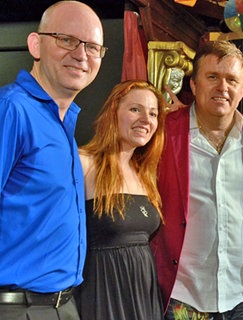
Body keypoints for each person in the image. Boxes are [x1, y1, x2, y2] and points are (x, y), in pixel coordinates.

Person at [0, 2, 105, 319]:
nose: (81, 54)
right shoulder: (12, 110)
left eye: (93, 47)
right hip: (18, 308)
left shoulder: (64, 125)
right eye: (67, 39)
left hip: (62, 305)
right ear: (36, 44)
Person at [150, 40, 243, 320]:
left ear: (242, 90)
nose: (222, 87)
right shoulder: (163, 132)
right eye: (212, 77)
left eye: (231, 80)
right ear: (193, 84)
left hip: (242, 297)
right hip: (183, 297)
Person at [74, 80, 166, 319]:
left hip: (144, 294)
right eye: (135, 109)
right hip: (101, 292)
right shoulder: (82, 163)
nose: (146, 119)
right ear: (112, 113)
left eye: (153, 113)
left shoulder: (145, 174)